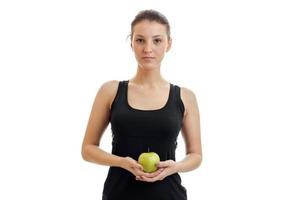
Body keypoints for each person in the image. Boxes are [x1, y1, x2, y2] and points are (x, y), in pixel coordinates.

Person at [81, 9, 202, 200]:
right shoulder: (110, 91)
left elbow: (196, 155)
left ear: (168, 44)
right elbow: (88, 149)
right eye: (140, 40)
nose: (148, 49)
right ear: (131, 43)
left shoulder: (185, 96)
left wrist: (174, 167)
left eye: (157, 40)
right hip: (118, 195)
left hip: (169, 195)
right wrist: (121, 162)